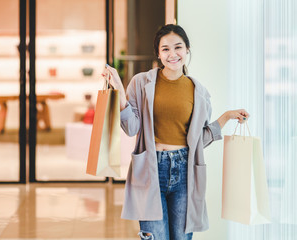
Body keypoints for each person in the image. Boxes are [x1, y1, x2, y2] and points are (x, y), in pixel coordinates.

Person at [103, 24, 249, 240]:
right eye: (165, 49)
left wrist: (226, 117)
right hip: (151, 169)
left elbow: (199, 140)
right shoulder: (141, 83)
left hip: (185, 171)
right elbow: (131, 128)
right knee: (156, 236)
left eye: (178, 47)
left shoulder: (199, 92)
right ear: (159, 54)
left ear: (187, 50)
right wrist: (119, 93)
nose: (173, 54)